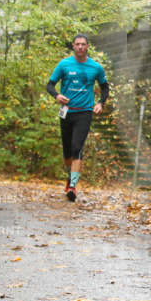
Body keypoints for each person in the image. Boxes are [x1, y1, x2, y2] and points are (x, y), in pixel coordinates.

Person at [46, 34, 109, 201]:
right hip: (66, 111)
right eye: (77, 44)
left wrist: (100, 103)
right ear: (73, 47)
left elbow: (105, 88)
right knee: (67, 151)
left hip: (85, 112)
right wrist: (57, 96)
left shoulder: (96, 67)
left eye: (83, 44)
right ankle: (69, 178)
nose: (80, 47)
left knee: (76, 147)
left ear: (87, 46)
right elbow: (49, 85)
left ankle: (73, 185)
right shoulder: (64, 64)